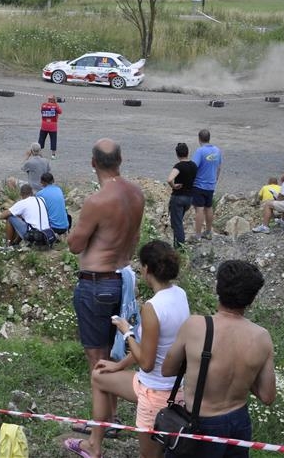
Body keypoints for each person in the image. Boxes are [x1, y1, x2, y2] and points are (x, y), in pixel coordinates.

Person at [63, 241, 190, 458]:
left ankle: (95, 445)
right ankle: (93, 444)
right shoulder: (180, 294)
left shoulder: (152, 307)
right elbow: (153, 347)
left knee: (148, 456)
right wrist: (119, 365)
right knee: (100, 376)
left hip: (154, 391)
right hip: (177, 387)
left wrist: (127, 332)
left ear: (147, 269)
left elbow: (147, 363)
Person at [162, 260, 276, 458]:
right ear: (252, 299)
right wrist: (245, 372)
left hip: (200, 422)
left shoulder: (195, 326)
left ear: (218, 289)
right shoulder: (261, 337)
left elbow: (168, 369)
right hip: (239, 422)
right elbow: (267, 396)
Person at [67, 138, 144, 385]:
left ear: (93, 163)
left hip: (97, 282)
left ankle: (101, 411)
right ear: (120, 160)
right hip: (123, 280)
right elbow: (134, 236)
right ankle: (112, 407)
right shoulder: (137, 194)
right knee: (114, 351)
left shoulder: (97, 201)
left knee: (98, 358)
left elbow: (75, 245)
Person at [190, 129, 222, 241]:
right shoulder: (217, 150)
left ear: (199, 139)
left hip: (199, 184)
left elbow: (193, 167)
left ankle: (198, 235)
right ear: (209, 138)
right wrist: (215, 179)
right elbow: (219, 167)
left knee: (199, 209)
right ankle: (208, 232)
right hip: (211, 184)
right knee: (209, 207)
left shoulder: (200, 151)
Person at [166, 142, 197, 249]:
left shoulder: (179, 166)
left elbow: (169, 179)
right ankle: (178, 245)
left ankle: (180, 248)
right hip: (189, 198)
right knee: (178, 222)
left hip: (178, 197)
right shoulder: (193, 165)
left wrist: (174, 186)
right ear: (188, 152)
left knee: (177, 224)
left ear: (177, 154)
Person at [38, 95, 62, 159]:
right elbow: (60, 112)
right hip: (52, 126)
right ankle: (53, 155)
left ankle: (39, 153)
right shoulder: (55, 106)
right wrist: (56, 104)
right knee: (53, 140)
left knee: (41, 139)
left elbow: (41, 112)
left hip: (44, 125)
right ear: (54, 99)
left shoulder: (43, 105)